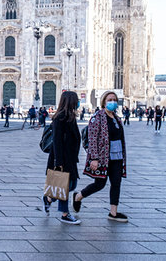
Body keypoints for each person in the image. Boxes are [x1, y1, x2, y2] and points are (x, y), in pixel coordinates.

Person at [71, 90, 128, 222]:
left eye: (114, 100)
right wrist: (94, 158)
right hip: (103, 157)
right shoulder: (98, 117)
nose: (113, 102)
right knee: (100, 184)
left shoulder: (117, 118)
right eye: (110, 100)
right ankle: (78, 196)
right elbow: (92, 138)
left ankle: (113, 213)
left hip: (117, 157)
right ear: (104, 102)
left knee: (116, 183)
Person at [44, 91, 82, 224]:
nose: (78, 103)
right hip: (62, 159)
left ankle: (49, 199)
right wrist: (58, 162)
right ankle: (65, 214)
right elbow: (57, 141)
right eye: (76, 100)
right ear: (70, 101)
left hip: (70, 158)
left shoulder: (70, 116)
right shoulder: (60, 118)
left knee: (70, 185)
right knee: (65, 186)